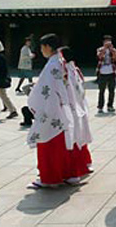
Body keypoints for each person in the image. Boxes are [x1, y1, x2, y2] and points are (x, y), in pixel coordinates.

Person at [27, 34, 89, 189]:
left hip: (51, 108)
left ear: (47, 47)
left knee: (49, 143)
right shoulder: (61, 62)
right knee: (65, 142)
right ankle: (69, 174)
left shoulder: (52, 65)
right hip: (63, 107)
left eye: (42, 47)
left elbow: (45, 89)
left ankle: (50, 178)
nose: (41, 51)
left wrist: (33, 94)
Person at [60, 47, 93, 173]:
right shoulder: (74, 69)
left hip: (72, 107)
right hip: (80, 106)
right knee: (80, 136)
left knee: (73, 138)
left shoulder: (66, 71)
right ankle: (85, 162)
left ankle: (75, 167)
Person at [96, 35, 116, 113]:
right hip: (102, 72)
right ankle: (100, 106)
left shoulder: (114, 50)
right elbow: (99, 57)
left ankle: (110, 105)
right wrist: (104, 49)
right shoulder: (100, 49)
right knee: (101, 90)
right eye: (106, 41)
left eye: (109, 41)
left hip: (111, 72)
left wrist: (112, 50)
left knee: (111, 90)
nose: (108, 43)